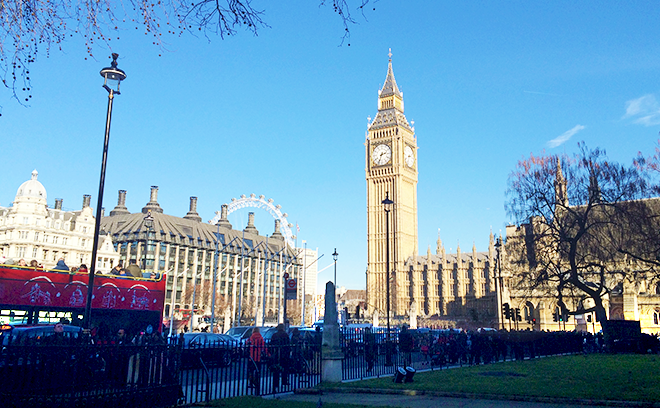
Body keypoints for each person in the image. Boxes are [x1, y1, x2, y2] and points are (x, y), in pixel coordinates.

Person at [269, 323, 290, 388]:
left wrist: (272, 353)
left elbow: (271, 345)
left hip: (276, 354)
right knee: (285, 368)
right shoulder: (285, 335)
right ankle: (284, 381)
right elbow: (288, 345)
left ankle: (276, 383)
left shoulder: (274, 335)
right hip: (284, 354)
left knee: (276, 369)